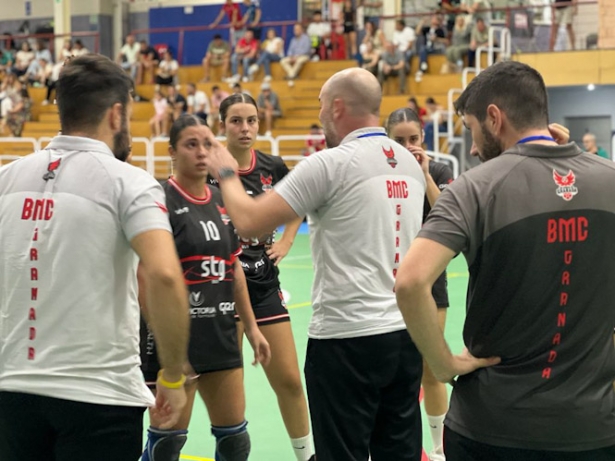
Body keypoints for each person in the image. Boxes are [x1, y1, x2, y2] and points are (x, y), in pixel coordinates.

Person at [395, 60, 615, 461]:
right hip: (594, 426)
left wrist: (442, 365)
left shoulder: (473, 189)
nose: (474, 147)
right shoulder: (608, 178)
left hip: (490, 428)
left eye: (472, 130)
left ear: (494, 118)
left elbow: (409, 282)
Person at [202, 68, 427, 461]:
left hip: (347, 340)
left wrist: (224, 172)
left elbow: (251, 221)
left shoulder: (329, 164)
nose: (321, 114)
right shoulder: (409, 163)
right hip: (405, 336)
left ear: (338, 107)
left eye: (323, 106)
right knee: (399, 450)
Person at [0, 54, 190, 461]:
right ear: (117, 114)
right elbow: (164, 276)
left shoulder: (7, 178)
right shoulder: (130, 183)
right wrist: (172, 375)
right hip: (99, 396)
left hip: (11, 393)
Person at [140, 114, 271, 461]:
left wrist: (254, 328)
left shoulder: (221, 198)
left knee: (235, 441)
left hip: (221, 333)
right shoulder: (159, 199)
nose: (202, 152)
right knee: (166, 444)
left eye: (208, 144)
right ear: (172, 151)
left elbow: (234, 269)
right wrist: (171, 353)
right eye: (191, 144)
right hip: (175, 339)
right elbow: (146, 278)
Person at [207, 93, 315, 461]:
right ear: (221, 124)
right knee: (230, 395)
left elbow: (299, 200)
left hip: (265, 287)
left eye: (251, 120)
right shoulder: (207, 169)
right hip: (220, 292)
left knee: (289, 381)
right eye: (236, 120)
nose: (245, 128)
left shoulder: (272, 166)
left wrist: (286, 239)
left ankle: (306, 456)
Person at [385, 107, 454, 461]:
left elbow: (449, 215)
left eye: (413, 139)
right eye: (399, 140)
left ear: (423, 138)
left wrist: (424, 175)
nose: (408, 146)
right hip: (385, 283)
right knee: (393, 371)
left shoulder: (440, 171)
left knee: (430, 367)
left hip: (429, 282)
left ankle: (440, 450)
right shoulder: (379, 174)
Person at [415, 14, 448, 81]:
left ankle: (421, 69)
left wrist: (436, 39)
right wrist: (422, 22)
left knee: (423, 49)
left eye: (434, 19)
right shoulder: (427, 29)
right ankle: (423, 66)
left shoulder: (440, 30)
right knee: (423, 49)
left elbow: (446, 41)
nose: (432, 20)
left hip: (436, 49)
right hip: (427, 48)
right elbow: (417, 32)